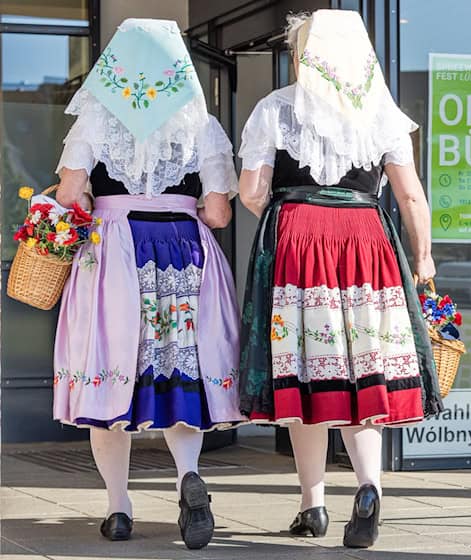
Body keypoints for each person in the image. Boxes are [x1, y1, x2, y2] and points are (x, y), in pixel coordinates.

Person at [237, 9, 443, 549]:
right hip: (365, 240)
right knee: (363, 369)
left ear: (307, 55)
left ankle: (314, 504)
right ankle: (370, 486)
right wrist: (423, 258)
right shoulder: (382, 113)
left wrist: (286, 213)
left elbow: (251, 191)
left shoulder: (275, 110)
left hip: (299, 240)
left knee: (308, 372)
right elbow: (411, 195)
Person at [51, 18, 242, 549]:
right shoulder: (200, 122)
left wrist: (91, 201)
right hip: (183, 248)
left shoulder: (96, 117)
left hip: (117, 249)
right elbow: (221, 214)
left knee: (111, 364)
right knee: (181, 361)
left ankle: (118, 507)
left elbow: (68, 194)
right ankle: (186, 477)